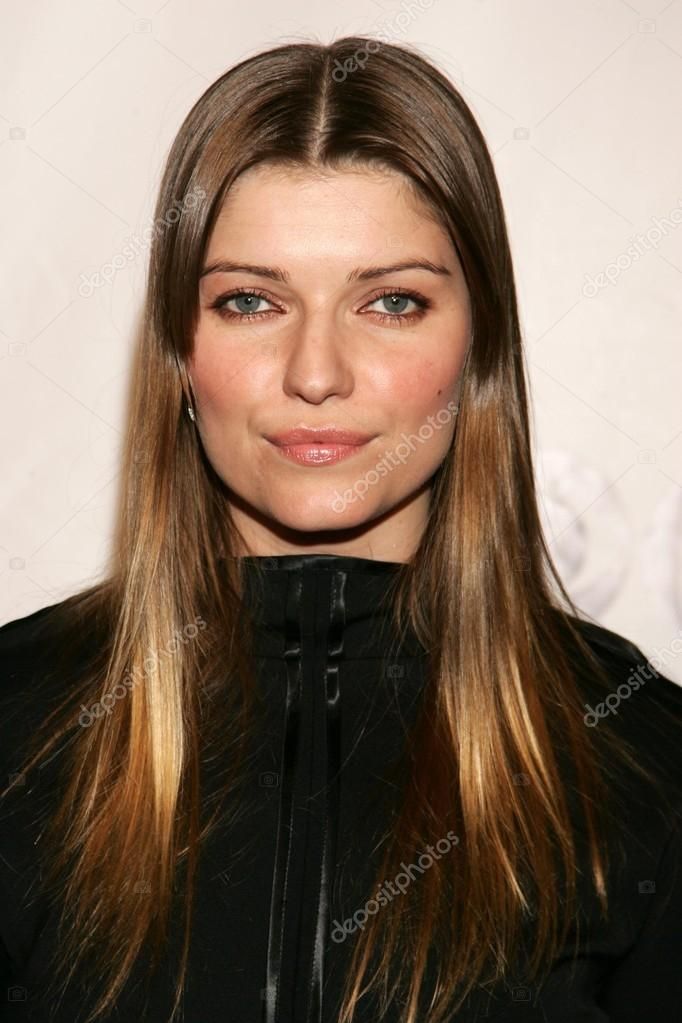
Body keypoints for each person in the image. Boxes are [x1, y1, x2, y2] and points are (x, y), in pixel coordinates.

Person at [1, 34, 681, 1023]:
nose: (315, 372)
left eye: (392, 301)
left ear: (478, 346)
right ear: (179, 354)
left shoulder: (641, 760)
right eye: (249, 301)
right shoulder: (18, 731)